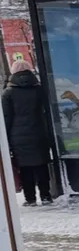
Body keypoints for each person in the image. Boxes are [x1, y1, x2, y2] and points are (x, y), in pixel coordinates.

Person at [2, 62, 56, 205]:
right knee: (41, 165)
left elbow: (6, 117)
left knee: (25, 168)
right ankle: (46, 195)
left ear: (13, 73)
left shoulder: (8, 93)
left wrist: (5, 139)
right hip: (39, 134)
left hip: (18, 137)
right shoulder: (39, 90)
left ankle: (30, 198)